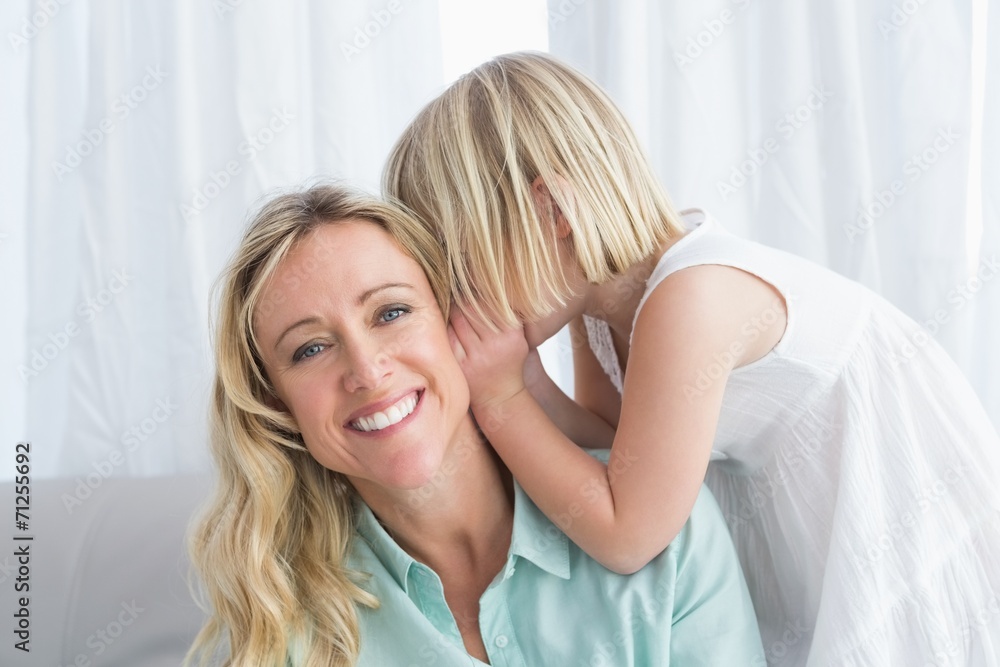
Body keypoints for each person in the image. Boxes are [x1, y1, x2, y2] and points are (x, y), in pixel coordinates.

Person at [383, 51, 1000, 665]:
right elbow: (613, 450)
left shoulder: (691, 299)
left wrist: (500, 398)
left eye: (462, 262)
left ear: (553, 212)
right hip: (821, 533)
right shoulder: (599, 303)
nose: (458, 295)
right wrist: (532, 386)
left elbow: (628, 535)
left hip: (905, 519)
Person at [184, 183, 765, 666]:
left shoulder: (667, 532)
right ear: (276, 404)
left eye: (391, 312)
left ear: (457, 325)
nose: (367, 370)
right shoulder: (282, 626)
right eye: (310, 349)